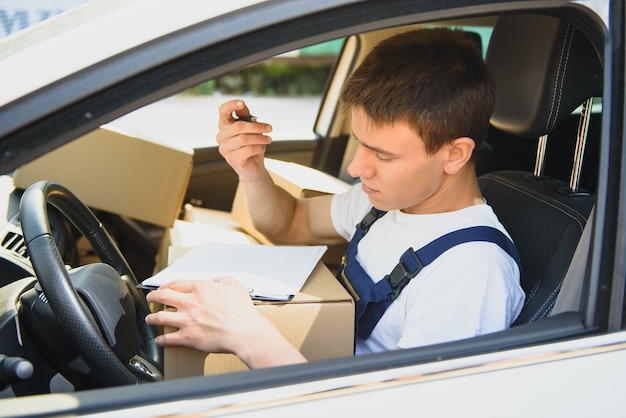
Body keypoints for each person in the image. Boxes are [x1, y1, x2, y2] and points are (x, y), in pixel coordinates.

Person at [145, 27, 525, 369]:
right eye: (360, 143)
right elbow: (291, 223)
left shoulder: (470, 271)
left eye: (383, 154)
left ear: (454, 154)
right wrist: (252, 172)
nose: (358, 168)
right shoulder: (381, 203)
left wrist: (246, 335)